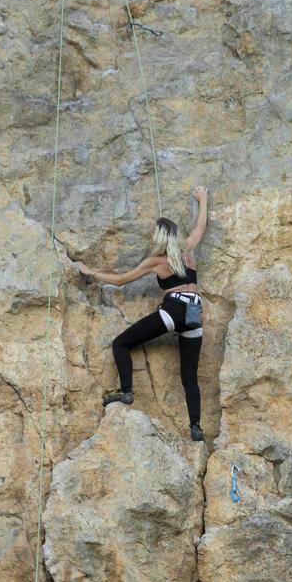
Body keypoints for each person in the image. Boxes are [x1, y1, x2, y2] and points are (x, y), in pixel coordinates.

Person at [76, 186, 209, 441]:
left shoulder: (156, 261)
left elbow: (120, 280)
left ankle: (126, 391)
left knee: (121, 343)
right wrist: (203, 199)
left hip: (174, 309)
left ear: (159, 238)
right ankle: (196, 427)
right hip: (194, 312)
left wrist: (90, 272)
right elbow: (200, 227)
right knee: (189, 376)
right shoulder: (188, 251)